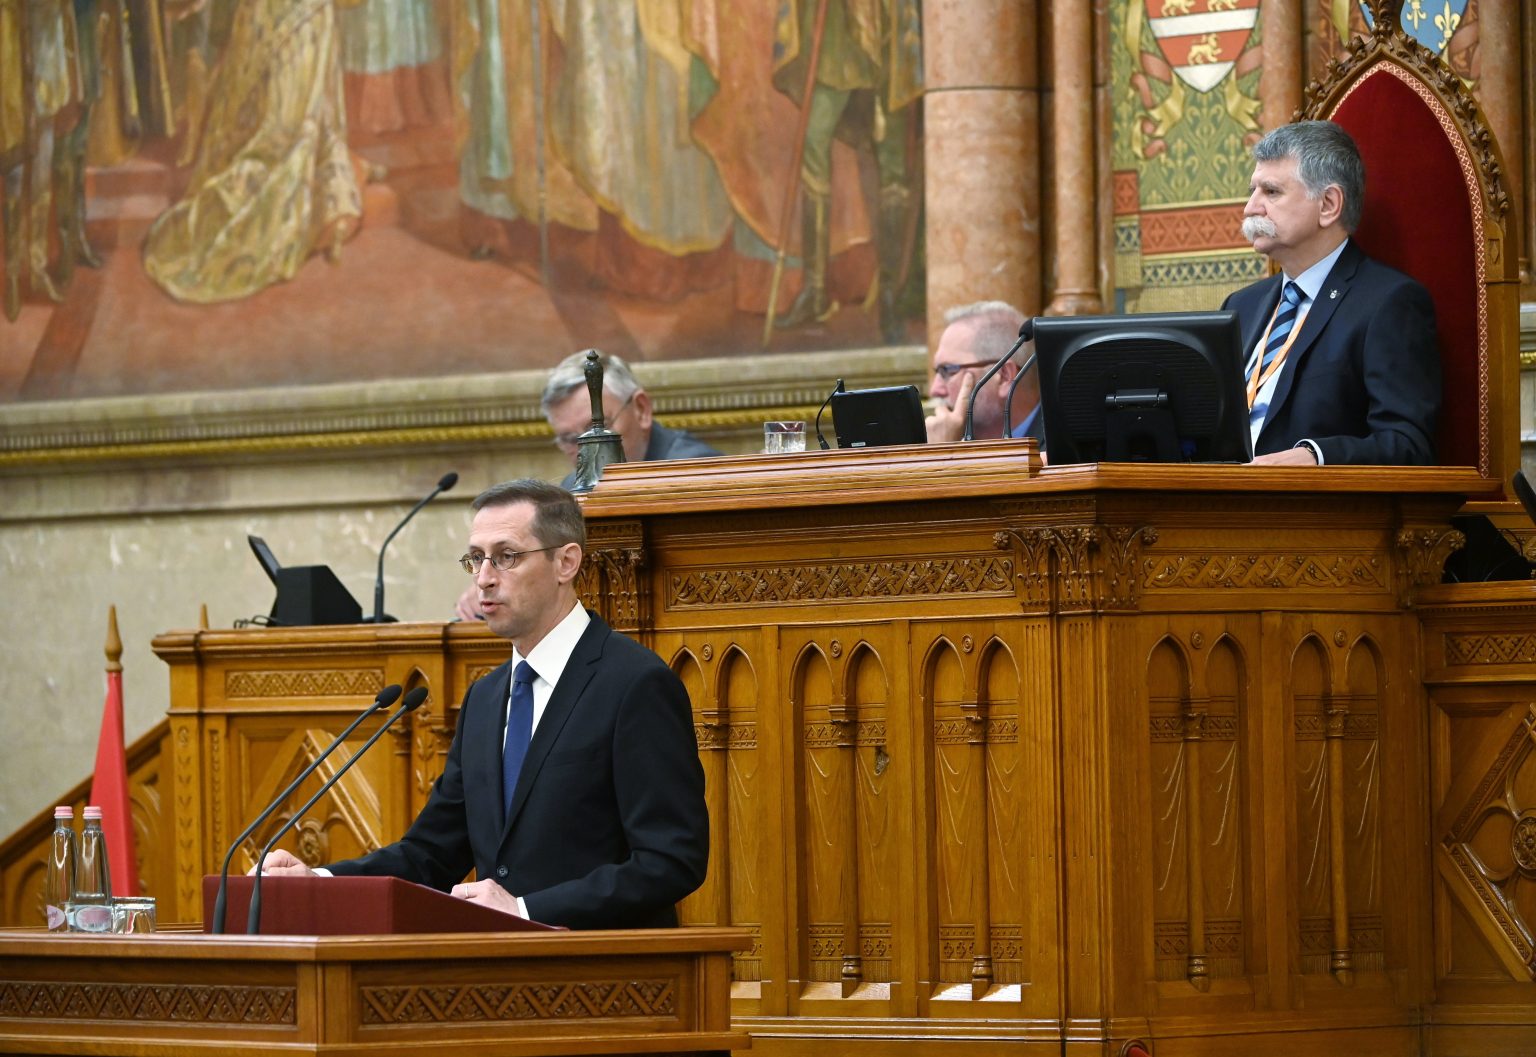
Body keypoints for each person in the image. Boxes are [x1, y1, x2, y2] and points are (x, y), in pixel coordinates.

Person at [257, 479, 710, 929]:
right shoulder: (486, 698)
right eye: (476, 558)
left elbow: (671, 860)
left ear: (566, 562)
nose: (484, 578)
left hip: (607, 964)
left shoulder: (635, 683)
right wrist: (320, 880)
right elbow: (431, 853)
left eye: (506, 556)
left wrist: (526, 911)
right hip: (497, 965)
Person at [1224, 120, 1439, 466]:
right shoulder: (1241, 305)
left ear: (1328, 204)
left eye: (1271, 192)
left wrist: (1316, 456)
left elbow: (1407, 445)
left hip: (1306, 499)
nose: (1251, 207)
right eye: (1253, 191)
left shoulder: (1388, 303)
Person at [453, 350, 719, 620]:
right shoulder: (571, 489)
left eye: (599, 427)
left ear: (641, 409)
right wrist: (498, 580)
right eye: (570, 439)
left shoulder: (695, 472)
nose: (586, 448)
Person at [924, 301, 1040, 444]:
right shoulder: (956, 439)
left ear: (1004, 376)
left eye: (948, 370)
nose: (935, 390)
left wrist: (943, 453)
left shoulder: (1059, 449)